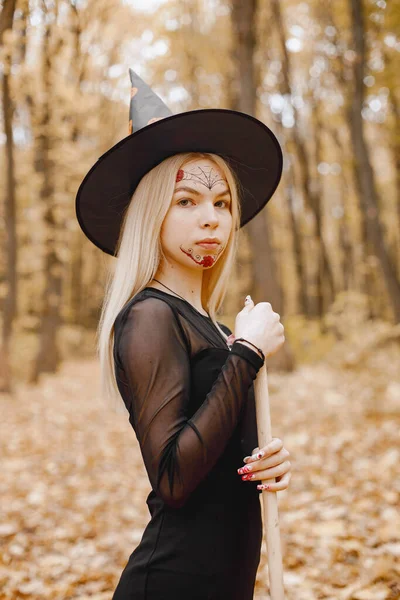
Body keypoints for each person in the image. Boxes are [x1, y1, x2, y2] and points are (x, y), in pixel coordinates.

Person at [75, 70, 292, 600]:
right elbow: (173, 478)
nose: (211, 219)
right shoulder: (149, 317)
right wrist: (247, 353)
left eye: (221, 204)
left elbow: (214, 449)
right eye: (187, 201)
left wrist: (262, 462)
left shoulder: (216, 327)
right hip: (173, 583)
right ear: (153, 213)